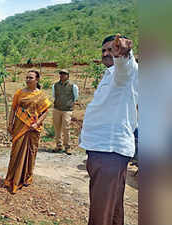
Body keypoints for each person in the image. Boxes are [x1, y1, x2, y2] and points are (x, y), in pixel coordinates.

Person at [79, 34, 138, 225]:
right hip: (105, 151)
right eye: (103, 50)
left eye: (110, 50)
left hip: (109, 151)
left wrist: (122, 54)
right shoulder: (110, 73)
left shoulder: (125, 71)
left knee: (100, 213)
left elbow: (125, 68)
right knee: (112, 210)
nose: (106, 54)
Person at [5, 70, 52, 194]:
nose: (28, 79)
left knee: (30, 152)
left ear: (37, 80)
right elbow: (13, 109)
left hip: (33, 128)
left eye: (30, 78)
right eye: (27, 77)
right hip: (19, 126)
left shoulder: (41, 95)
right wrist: (10, 123)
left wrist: (37, 123)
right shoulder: (19, 93)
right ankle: (11, 179)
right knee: (16, 152)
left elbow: (45, 111)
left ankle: (26, 177)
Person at [52, 69, 79, 155]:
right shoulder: (55, 85)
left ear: (68, 76)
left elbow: (76, 97)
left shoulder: (73, 86)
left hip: (67, 110)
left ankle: (67, 147)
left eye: (64, 74)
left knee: (66, 128)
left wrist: (69, 104)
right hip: (57, 109)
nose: (62, 76)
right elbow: (54, 96)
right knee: (57, 128)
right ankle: (58, 146)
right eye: (61, 74)